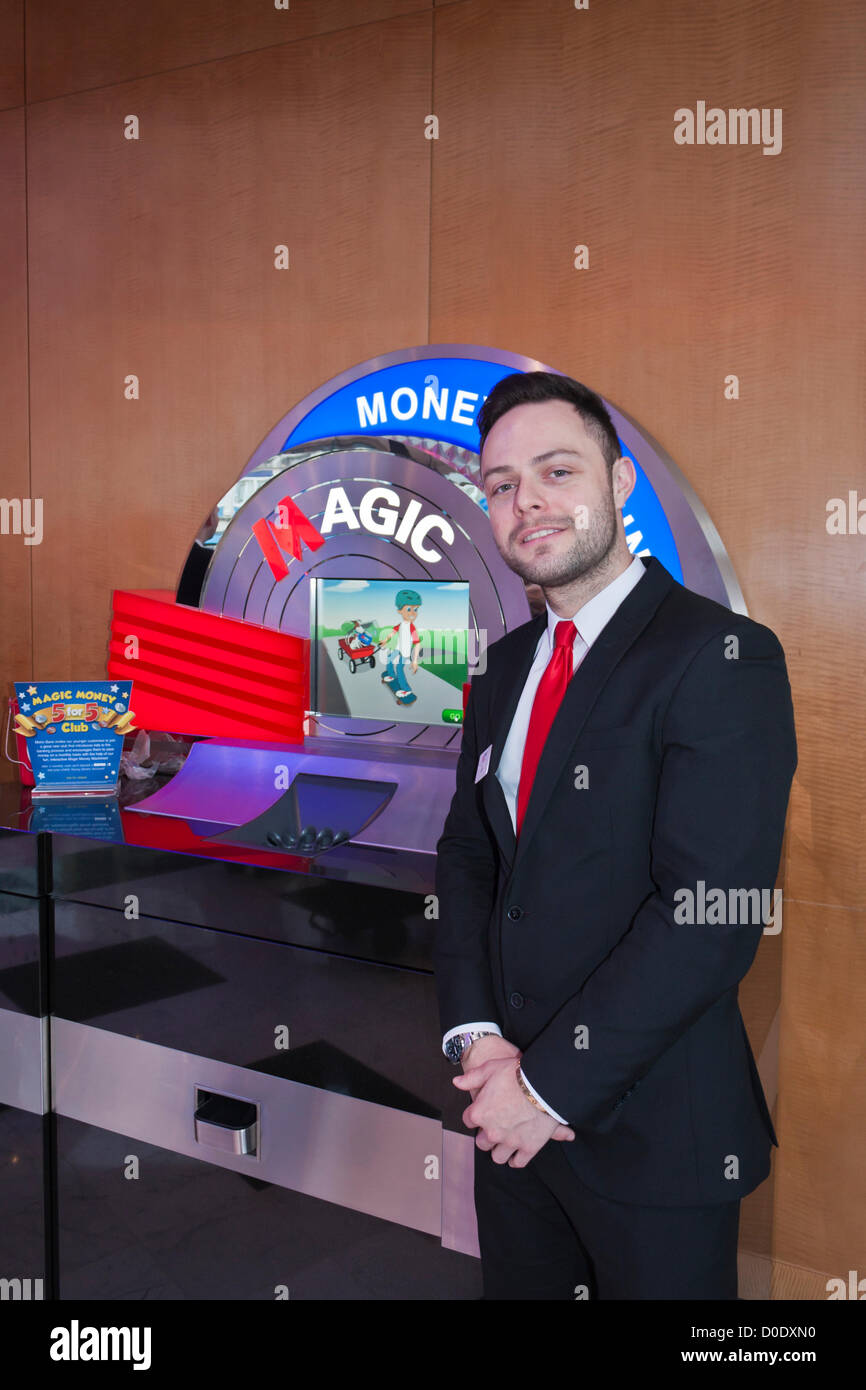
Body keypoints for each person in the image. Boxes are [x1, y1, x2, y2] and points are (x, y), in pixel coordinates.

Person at [433, 371, 797, 1299]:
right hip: (509, 1123)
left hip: (653, 1137)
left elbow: (711, 913)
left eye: (558, 470)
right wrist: (477, 1041)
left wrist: (544, 1088)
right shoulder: (507, 664)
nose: (529, 503)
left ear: (619, 481)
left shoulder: (717, 655)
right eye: (504, 484)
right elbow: (471, 857)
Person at [379, 589, 422, 704]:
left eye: (416, 609)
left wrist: (415, 661)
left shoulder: (412, 628)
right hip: (398, 648)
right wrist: (385, 640)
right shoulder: (401, 624)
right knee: (389, 659)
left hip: (405, 652)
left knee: (399, 668)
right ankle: (391, 675)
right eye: (409, 609)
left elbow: (417, 643)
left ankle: (406, 690)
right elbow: (393, 632)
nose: (413, 613)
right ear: (399, 611)